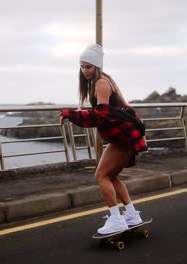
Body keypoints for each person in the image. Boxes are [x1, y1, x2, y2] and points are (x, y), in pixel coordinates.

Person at [58, 44, 148, 234]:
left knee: (101, 176)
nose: (84, 71)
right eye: (82, 67)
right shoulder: (107, 81)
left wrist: (70, 114)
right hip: (124, 136)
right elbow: (125, 107)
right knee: (111, 176)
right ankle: (131, 215)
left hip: (123, 137)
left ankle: (116, 219)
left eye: (88, 67)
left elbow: (101, 115)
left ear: (97, 66)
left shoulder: (101, 83)